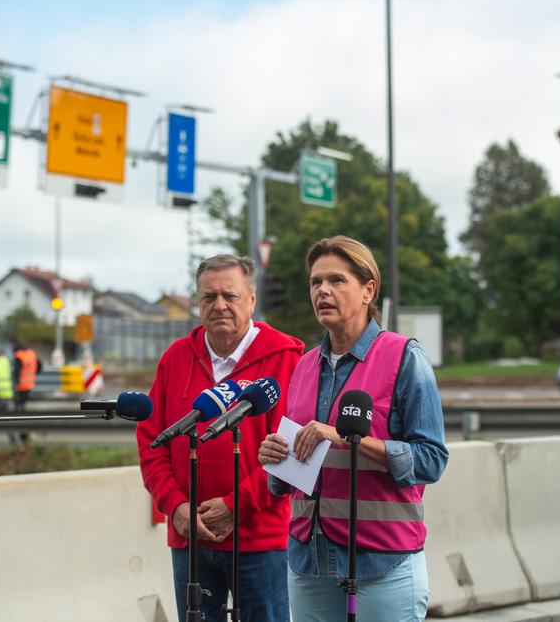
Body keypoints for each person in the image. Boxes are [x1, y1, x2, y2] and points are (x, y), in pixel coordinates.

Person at [258, 236, 448, 622]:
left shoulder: (405, 357)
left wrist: (348, 439)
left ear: (368, 290)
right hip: (309, 561)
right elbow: (295, 474)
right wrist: (275, 460)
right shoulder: (305, 365)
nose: (323, 290)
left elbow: (432, 460)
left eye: (337, 280)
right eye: (315, 282)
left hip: (381, 562)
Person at [136, 254, 304, 622]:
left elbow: (294, 452)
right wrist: (175, 506)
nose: (220, 305)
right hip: (190, 537)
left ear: (252, 300)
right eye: (209, 297)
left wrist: (236, 505)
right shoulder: (175, 359)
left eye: (230, 295)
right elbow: (152, 443)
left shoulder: (287, 361)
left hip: (260, 539)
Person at [12, 339, 42, 444]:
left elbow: (16, 373)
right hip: (29, 386)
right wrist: (32, 374)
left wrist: (14, 386)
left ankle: (23, 435)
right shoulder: (31, 353)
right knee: (25, 411)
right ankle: (25, 434)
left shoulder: (19, 356)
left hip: (20, 388)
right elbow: (40, 367)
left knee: (19, 412)